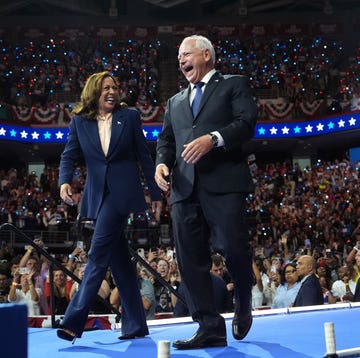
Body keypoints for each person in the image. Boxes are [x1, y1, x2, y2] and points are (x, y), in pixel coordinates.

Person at [155, 34, 258, 349]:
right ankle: (209, 326)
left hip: (224, 185)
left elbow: (246, 122)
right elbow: (166, 141)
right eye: (178, 58)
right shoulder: (174, 102)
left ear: (207, 55)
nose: (181, 60)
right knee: (189, 260)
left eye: (186, 54)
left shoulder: (233, 84)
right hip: (184, 190)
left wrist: (213, 138)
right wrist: (161, 164)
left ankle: (242, 296)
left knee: (233, 248)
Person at [57, 71, 162, 343]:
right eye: (106, 87)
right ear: (94, 91)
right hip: (96, 195)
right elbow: (69, 154)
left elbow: (143, 156)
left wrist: (156, 194)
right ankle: (136, 325)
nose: (112, 91)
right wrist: (63, 183)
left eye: (115, 86)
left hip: (121, 194)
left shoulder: (129, 117)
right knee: (121, 264)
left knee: (96, 255)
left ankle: (73, 321)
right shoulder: (80, 121)